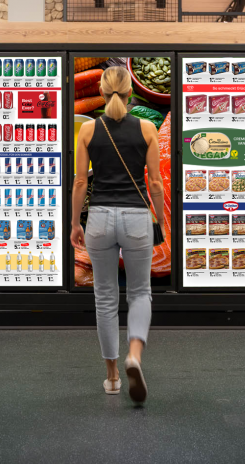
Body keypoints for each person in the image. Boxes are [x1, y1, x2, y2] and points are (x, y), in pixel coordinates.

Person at [71, 66, 167, 403]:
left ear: (101, 89)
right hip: (137, 217)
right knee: (140, 292)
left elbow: (81, 181)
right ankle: (134, 357)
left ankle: (112, 377)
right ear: (129, 93)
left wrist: (74, 223)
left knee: (106, 298)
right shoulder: (147, 127)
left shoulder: (88, 130)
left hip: (99, 218)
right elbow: (155, 182)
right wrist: (160, 218)